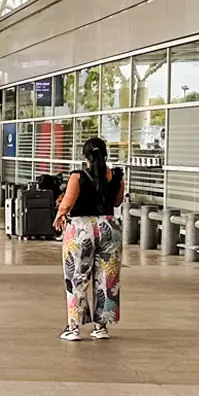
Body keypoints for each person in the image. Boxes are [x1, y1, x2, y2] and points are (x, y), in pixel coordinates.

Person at [54, 136, 125, 341]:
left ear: (85, 157)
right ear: (105, 155)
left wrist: (59, 216)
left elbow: (67, 203)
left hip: (81, 229)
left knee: (77, 276)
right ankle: (101, 326)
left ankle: (73, 328)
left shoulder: (78, 176)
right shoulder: (117, 176)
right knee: (107, 278)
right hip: (110, 227)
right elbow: (118, 201)